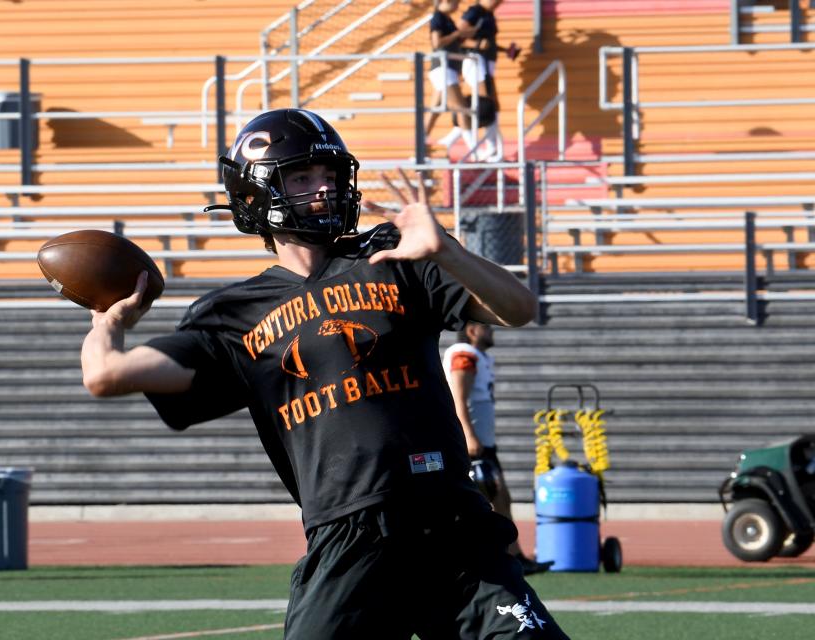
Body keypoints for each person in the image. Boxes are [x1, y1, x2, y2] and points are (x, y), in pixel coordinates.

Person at [80, 108, 569, 638]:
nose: (324, 189)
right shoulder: (233, 315)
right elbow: (106, 375)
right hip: (349, 536)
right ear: (256, 194)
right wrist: (109, 321)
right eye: (302, 177)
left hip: (451, 523)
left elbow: (519, 308)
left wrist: (447, 251)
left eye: (330, 175)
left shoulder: (391, 254)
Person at [443, 320, 553, 576]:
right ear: (472, 330)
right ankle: (497, 557)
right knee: (491, 498)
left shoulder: (478, 356)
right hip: (470, 445)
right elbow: (459, 399)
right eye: (487, 327)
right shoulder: (464, 354)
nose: (492, 331)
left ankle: (513, 556)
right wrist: (469, 436)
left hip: (482, 444)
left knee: (501, 498)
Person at [458, 0, 520, 160]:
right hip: (475, 60)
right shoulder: (475, 11)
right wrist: (477, 43)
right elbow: (459, 33)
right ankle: (483, 148)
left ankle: (492, 146)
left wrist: (505, 50)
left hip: (487, 61)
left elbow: (488, 42)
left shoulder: (488, 14)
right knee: (486, 103)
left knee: (491, 103)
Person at [424, 0, 477, 148]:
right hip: (443, 68)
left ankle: (420, 143)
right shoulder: (438, 17)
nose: (457, 6)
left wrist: (462, 35)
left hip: (448, 68)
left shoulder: (446, 19)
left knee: (435, 109)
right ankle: (474, 150)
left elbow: (454, 40)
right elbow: (437, 43)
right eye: (456, 2)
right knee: (461, 108)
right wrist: (456, 34)